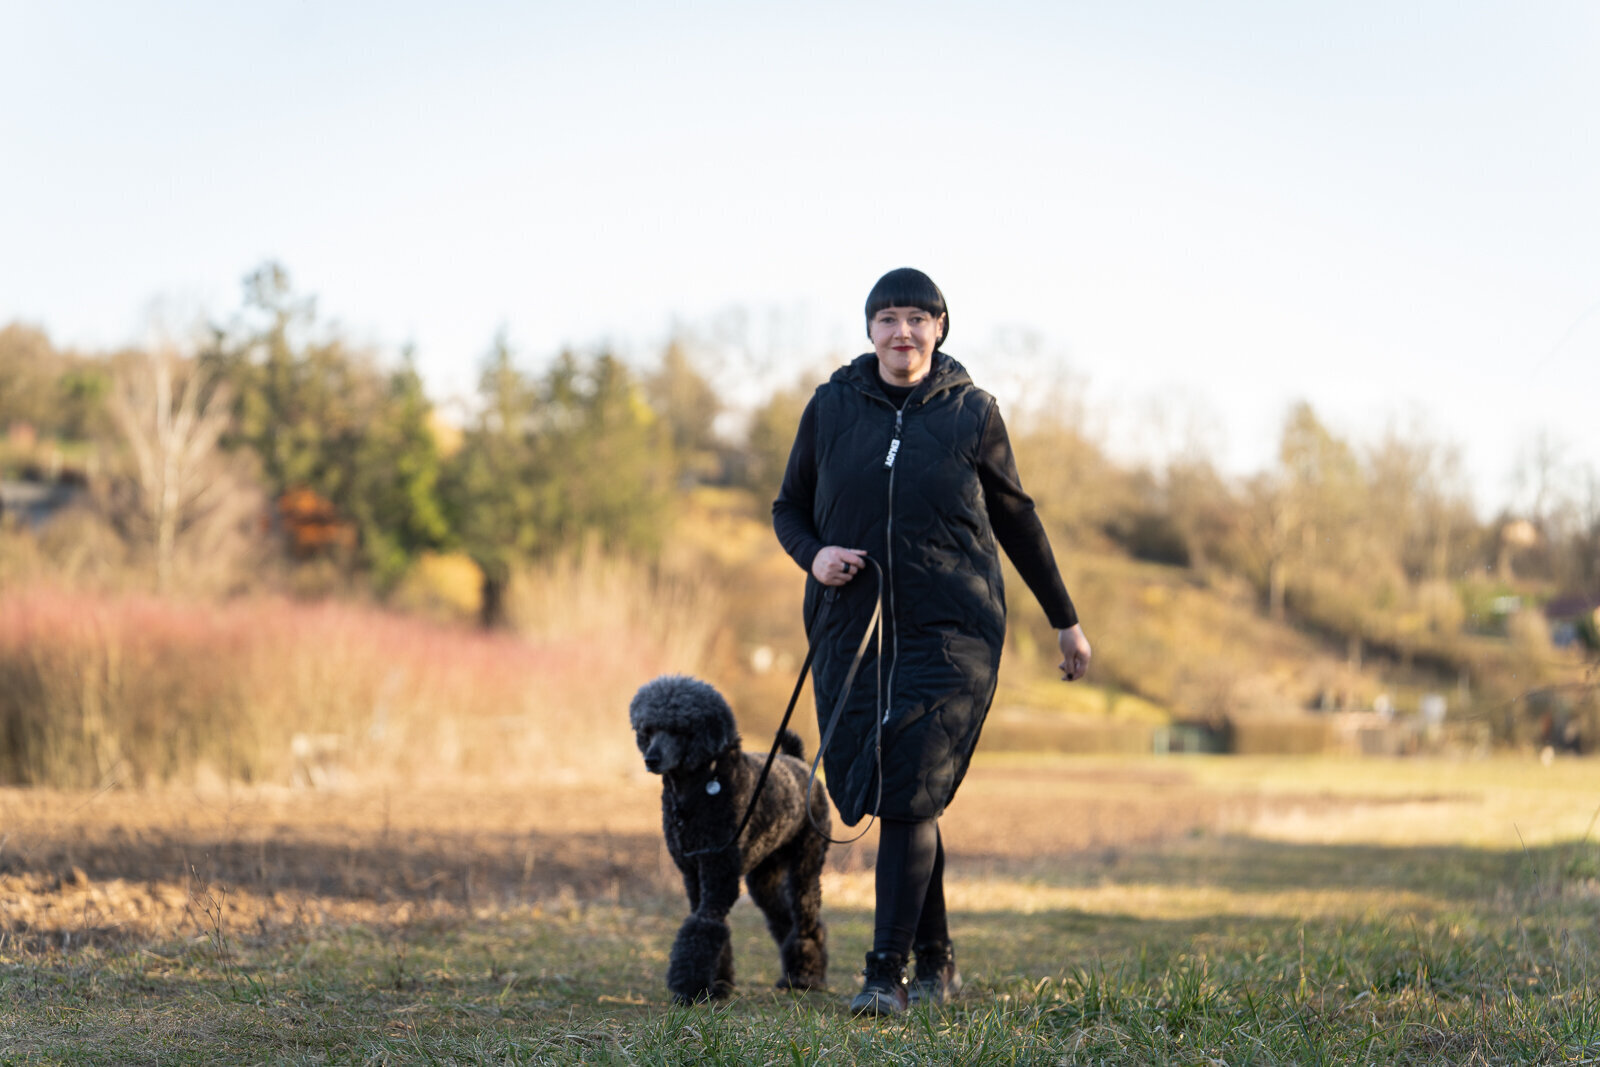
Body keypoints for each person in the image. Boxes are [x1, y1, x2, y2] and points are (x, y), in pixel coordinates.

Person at [773, 267, 1091, 1016]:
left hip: (953, 632)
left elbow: (1017, 520)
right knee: (895, 791)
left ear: (940, 328)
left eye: (918, 318)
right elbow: (790, 507)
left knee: (912, 782)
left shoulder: (972, 413)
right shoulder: (830, 408)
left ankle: (885, 973)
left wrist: (1065, 618)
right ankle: (938, 958)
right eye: (888, 318)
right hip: (853, 630)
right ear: (870, 330)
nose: (903, 332)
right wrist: (816, 556)